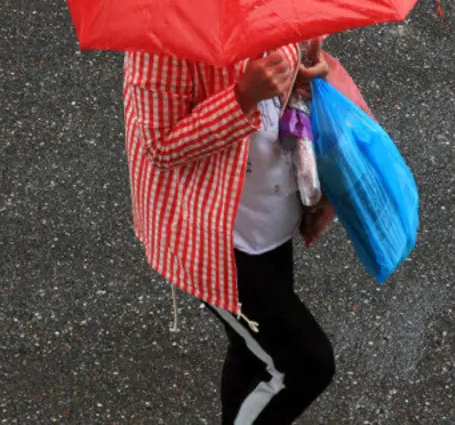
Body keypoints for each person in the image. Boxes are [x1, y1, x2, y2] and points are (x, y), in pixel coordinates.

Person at [123, 40, 338, 424]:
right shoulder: (159, 38)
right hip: (218, 236)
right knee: (306, 364)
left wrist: (306, 66)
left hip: (270, 216)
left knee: (254, 351)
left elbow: (294, 53)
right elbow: (161, 146)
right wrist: (243, 96)